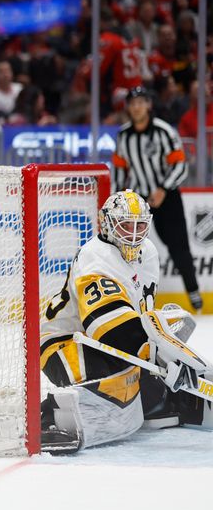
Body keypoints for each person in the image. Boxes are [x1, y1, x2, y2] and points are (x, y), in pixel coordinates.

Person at [39, 190, 211, 453]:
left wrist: (163, 355)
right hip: (62, 345)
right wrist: (161, 358)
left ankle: (167, 402)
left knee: (154, 385)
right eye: (125, 225)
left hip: (97, 343)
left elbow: (140, 318)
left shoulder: (148, 252)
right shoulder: (95, 258)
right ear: (107, 223)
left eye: (139, 225)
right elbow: (110, 330)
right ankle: (52, 418)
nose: (133, 233)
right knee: (123, 388)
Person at [112, 86, 202, 312]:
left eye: (141, 102)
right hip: (139, 201)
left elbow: (180, 165)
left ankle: (194, 295)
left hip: (168, 197)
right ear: (129, 108)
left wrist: (163, 188)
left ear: (149, 105)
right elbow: (120, 172)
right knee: (129, 249)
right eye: (132, 103)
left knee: (178, 247)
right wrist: (118, 198)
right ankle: (131, 299)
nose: (137, 107)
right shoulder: (124, 136)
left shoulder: (164, 131)